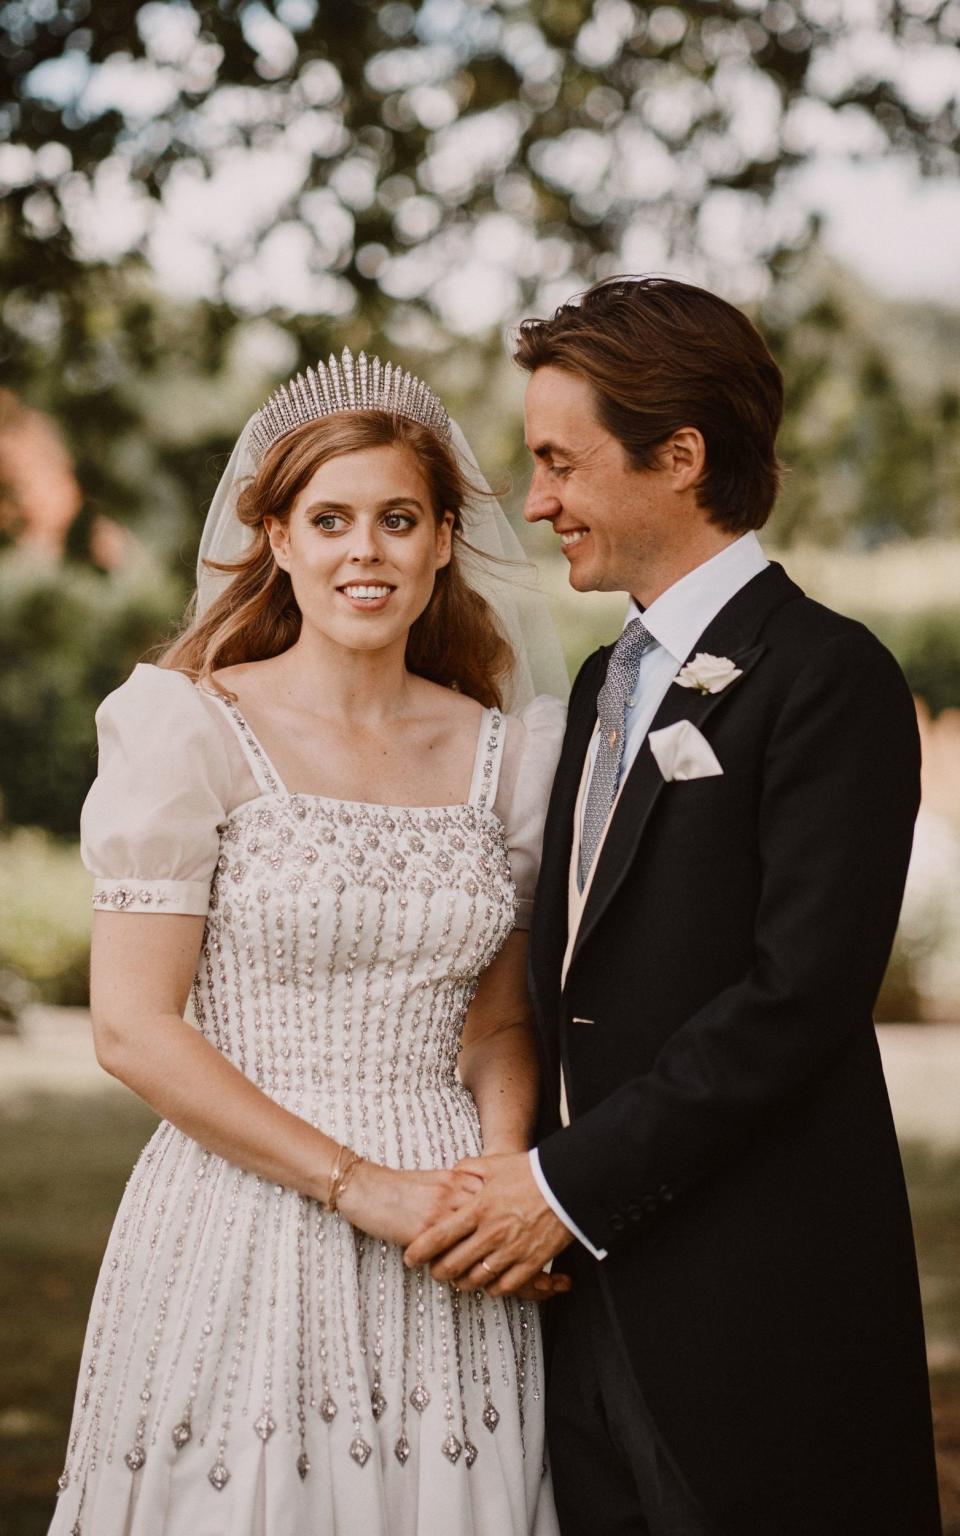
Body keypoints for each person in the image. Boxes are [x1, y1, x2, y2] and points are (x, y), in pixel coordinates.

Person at [405, 277, 943, 1535]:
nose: (535, 502)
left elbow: (794, 1002)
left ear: (680, 456)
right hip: (585, 1309)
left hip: (758, 1307)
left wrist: (566, 1188)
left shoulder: (828, 677)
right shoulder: (602, 682)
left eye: (559, 462)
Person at [49, 349, 570, 1536]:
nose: (364, 552)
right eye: (329, 520)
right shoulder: (186, 730)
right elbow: (133, 1030)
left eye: (397, 519)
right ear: (277, 539)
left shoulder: (513, 756)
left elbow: (496, 1021)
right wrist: (360, 1186)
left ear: (445, 538)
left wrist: (493, 1180)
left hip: (453, 1240)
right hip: (244, 1218)